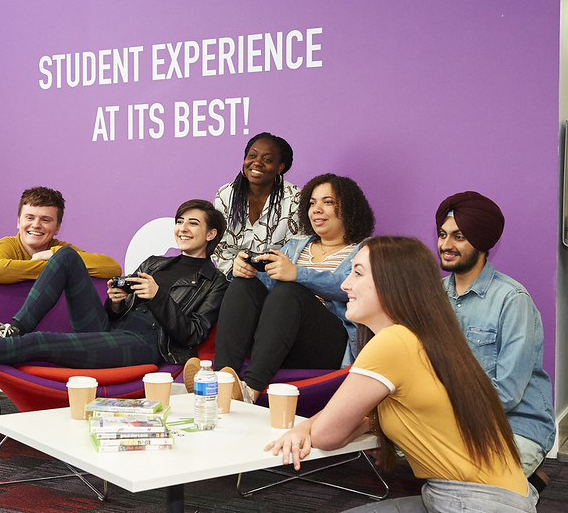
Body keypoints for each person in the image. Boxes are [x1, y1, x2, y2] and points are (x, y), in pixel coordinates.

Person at [266, 236, 538, 512]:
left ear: (392, 284)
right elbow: (364, 418)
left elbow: (327, 435)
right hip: (485, 494)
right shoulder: (424, 338)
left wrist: (310, 426)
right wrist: (318, 425)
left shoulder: (392, 343)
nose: (345, 284)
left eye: (357, 273)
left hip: (475, 501)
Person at [0, 199, 229, 380]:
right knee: (65, 258)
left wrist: (159, 297)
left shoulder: (215, 282)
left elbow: (192, 334)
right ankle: (12, 328)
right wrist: (117, 302)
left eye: (193, 223)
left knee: (41, 342)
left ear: (211, 234)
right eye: (180, 221)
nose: (182, 228)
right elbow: (115, 312)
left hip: (146, 344)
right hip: (113, 329)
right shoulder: (155, 262)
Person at [196, 174, 374, 403]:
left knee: (290, 292)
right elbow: (268, 285)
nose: (316, 209)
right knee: (244, 286)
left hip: (327, 343)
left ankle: (251, 389)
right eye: (312, 203)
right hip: (282, 337)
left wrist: (297, 274)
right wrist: (245, 269)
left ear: (349, 207)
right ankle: (222, 380)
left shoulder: (364, 250)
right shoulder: (295, 246)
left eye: (327, 202)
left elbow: (352, 288)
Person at [0, 186, 121, 445]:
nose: (36, 225)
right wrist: (48, 266)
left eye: (46, 219)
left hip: (39, 335)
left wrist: (56, 258)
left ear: (57, 227)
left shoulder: (61, 249)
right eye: (30, 217)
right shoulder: (5, 246)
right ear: (18, 221)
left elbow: (110, 266)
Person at [435, 191, 555, 492]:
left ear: (482, 242)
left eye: (459, 237)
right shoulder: (434, 295)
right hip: (455, 423)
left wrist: (439, 411)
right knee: (430, 472)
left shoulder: (512, 300)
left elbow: (507, 393)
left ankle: (524, 489)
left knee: (468, 489)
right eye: (442, 234)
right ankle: (521, 481)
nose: (446, 245)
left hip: (515, 425)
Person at [213, 132, 302, 277]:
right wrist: (233, 270)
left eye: (267, 159)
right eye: (252, 156)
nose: (257, 162)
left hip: (277, 280)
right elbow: (218, 245)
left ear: (280, 167)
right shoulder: (226, 195)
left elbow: (296, 250)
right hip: (234, 277)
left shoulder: (294, 199)